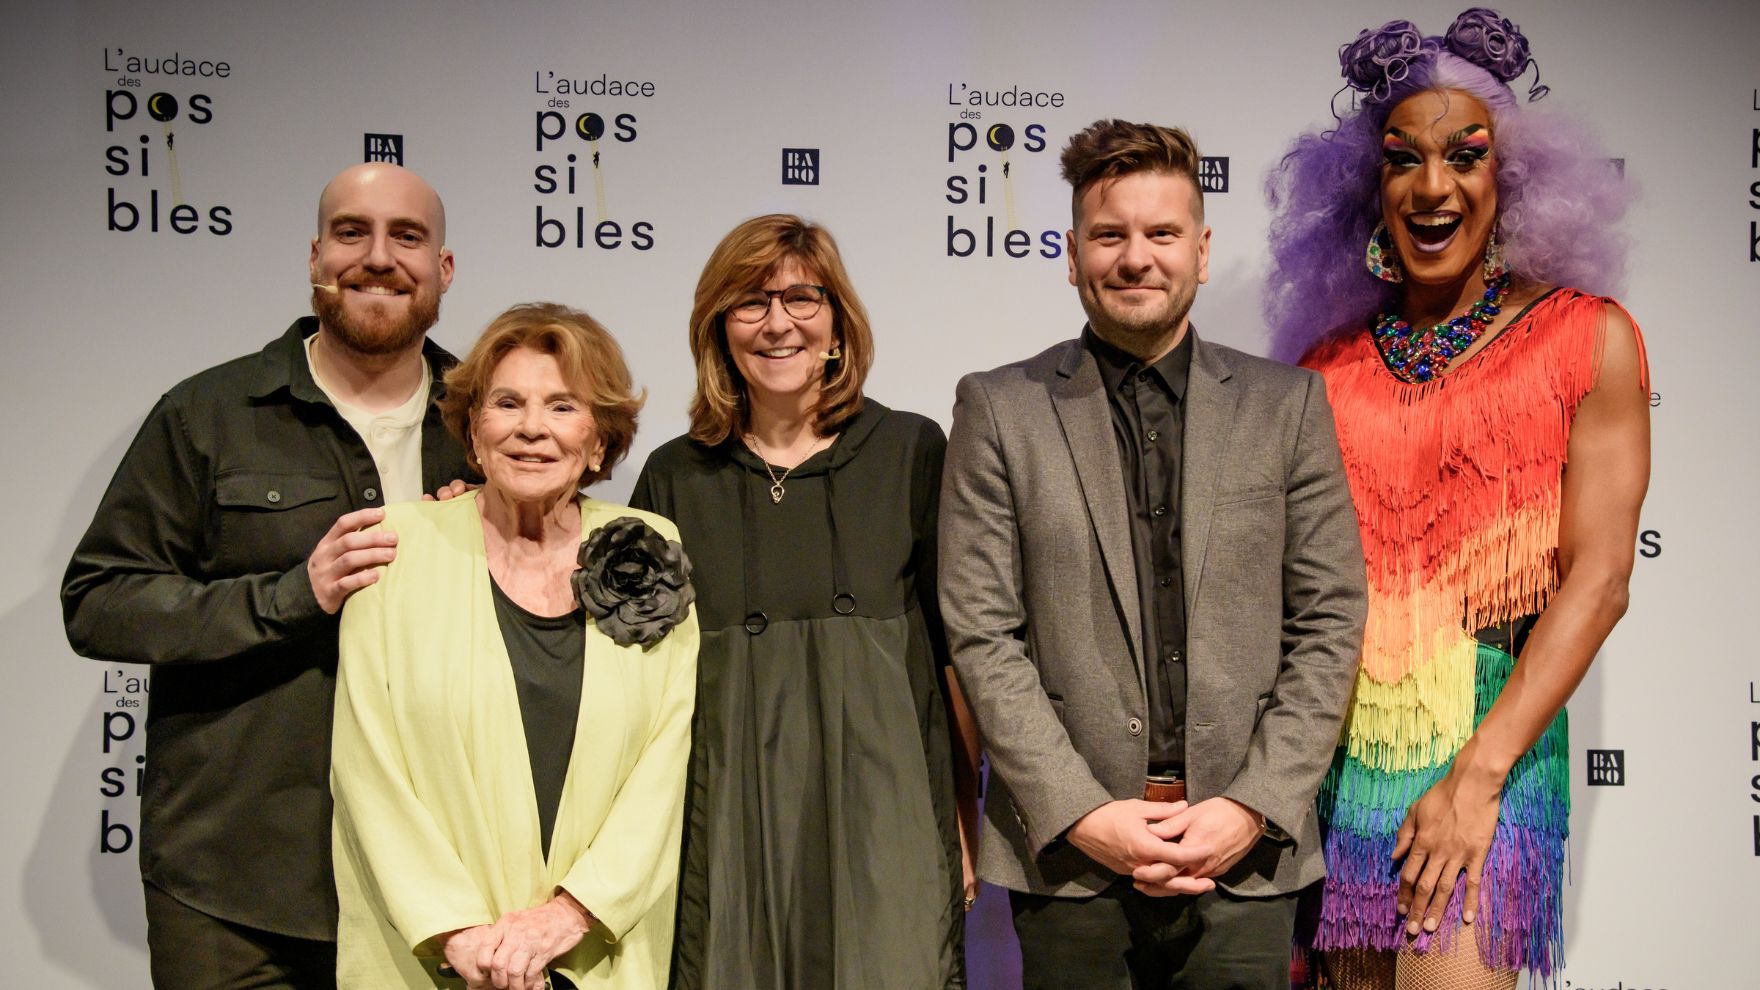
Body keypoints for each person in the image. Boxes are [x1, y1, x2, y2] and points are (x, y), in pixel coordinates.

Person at [1264, 9, 1649, 988]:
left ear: (1510, 180)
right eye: (1402, 159)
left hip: (1489, 759)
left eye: (1463, 156)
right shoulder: (1324, 370)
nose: (1431, 185)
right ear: (1368, 188)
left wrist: (1473, 783)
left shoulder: (1585, 338)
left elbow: (1599, 580)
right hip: (1342, 773)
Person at [938, 118, 1368, 989]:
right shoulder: (998, 408)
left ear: (1201, 252)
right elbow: (982, 633)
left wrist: (1251, 806)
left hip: (1247, 860)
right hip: (1072, 863)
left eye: (1161, 233)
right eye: (1110, 234)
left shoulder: (1287, 406)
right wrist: (1083, 813)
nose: (1136, 258)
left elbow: (1330, 620)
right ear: (1071, 253)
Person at [62, 162, 470, 988]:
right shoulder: (210, 414)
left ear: (444, 269)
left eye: (408, 237)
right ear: (316, 257)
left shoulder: (495, 423)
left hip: (444, 879)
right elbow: (99, 602)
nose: (379, 257)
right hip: (236, 884)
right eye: (352, 233)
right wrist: (296, 593)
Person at [629, 214, 979, 990]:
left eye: (801, 297)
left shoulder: (912, 452)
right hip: (728, 817)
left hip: (884, 807)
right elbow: (635, 686)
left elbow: (955, 658)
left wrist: (961, 818)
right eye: (751, 303)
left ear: (837, 323)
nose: (778, 322)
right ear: (718, 329)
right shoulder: (673, 477)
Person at [330, 302, 698, 990]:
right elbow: (365, 765)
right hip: (431, 957)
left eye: (563, 407)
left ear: (599, 441)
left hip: (594, 956)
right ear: (474, 431)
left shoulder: (651, 547)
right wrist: (459, 932)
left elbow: (664, 761)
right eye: (508, 403)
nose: (532, 428)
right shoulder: (394, 546)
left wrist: (568, 917)